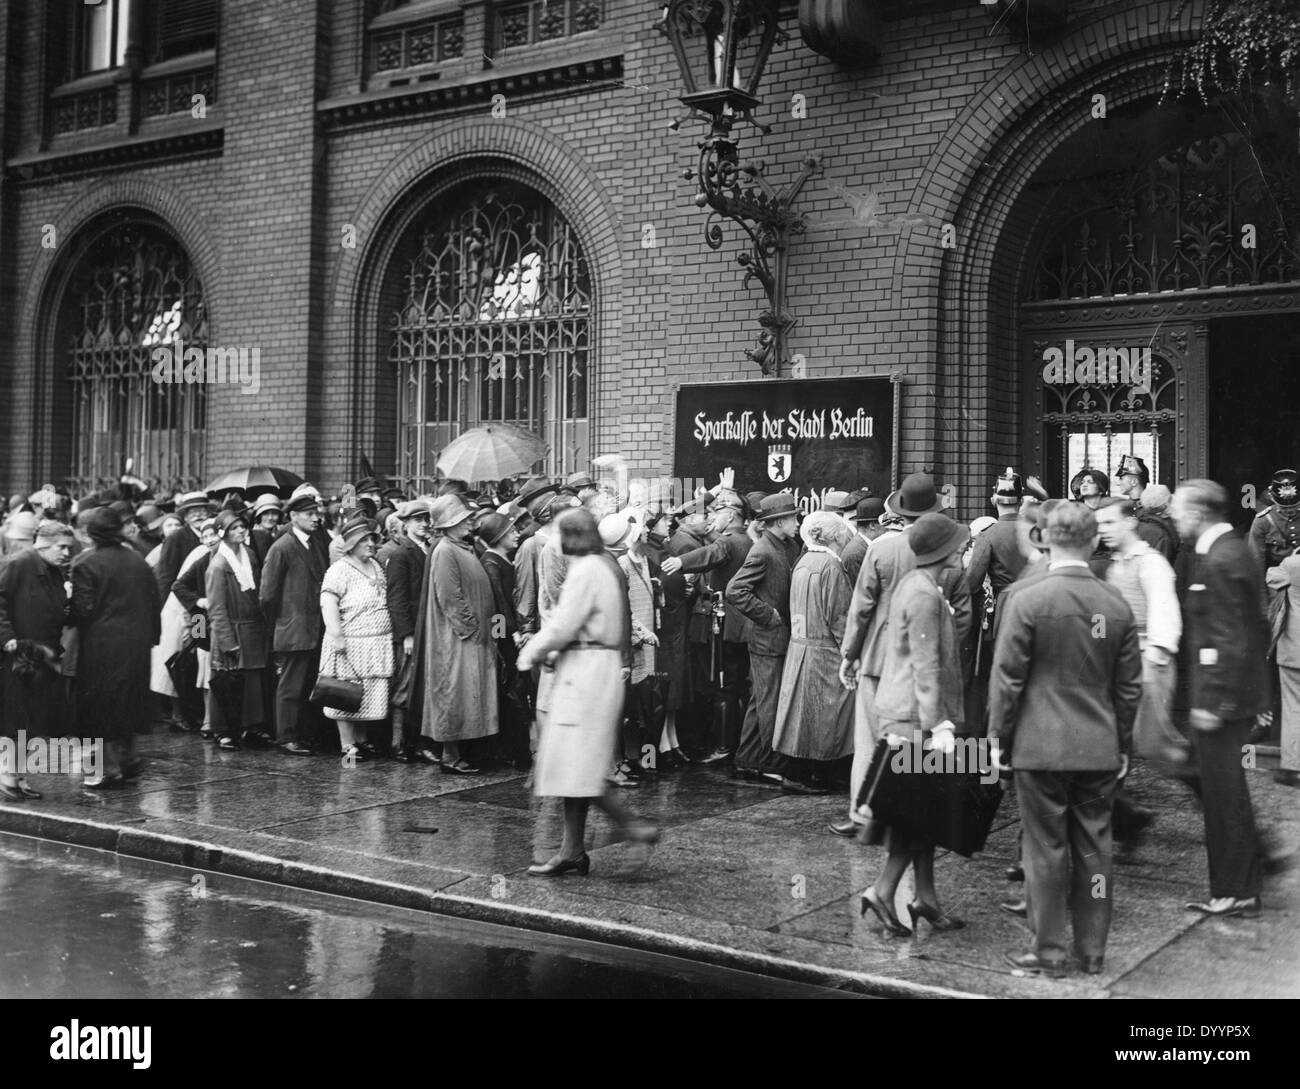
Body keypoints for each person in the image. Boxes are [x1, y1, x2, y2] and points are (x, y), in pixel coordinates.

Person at [989, 502, 1142, 978]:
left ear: (1045, 539)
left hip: (1039, 746)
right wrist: (1121, 746)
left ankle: (1049, 949)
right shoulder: (1114, 602)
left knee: (1045, 849)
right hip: (1097, 747)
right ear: (1094, 542)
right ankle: (1093, 951)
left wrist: (998, 739)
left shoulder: (1027, 599)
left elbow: (1007, 678)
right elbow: (1129, 687)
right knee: (1095, 849)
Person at [516, 508, 660, 877]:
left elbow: (564, 624)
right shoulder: (601, 564)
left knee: (575, 765)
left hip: (587, 674)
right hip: (590, 667)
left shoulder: (586, 570)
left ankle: (636, 829)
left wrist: (530, 652)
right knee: (572, 765)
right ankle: (573, 850)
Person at [836, 473, 971, 837]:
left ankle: (863, 812)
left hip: (879, 657)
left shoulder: (881, 548)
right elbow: (960, 612)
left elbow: (861, 607)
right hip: (925, 662)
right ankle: (913, 813)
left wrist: (849, 653)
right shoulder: (948, 550)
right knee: (918, 742)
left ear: (901, 511)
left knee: (869, 741)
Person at [857, 513, 971, 937]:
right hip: (914, 718)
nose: (963, 549)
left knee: (926, 813)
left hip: (910, 713)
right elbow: (925, 664)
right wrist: (938, 725)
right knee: (915, 813)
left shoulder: (918, 586)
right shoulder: (924, 593)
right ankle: (883, 891)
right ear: (943, 551)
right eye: (958, 544)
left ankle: (925, 898)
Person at [1170, 479, 1268, 918]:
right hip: (1227, 698)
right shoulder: (1224, 551)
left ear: (1197, 513)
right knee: (1226, 795)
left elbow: (1230, 641)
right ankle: (1240, 885)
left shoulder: (1222, 557)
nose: (1174, 517)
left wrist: (1215, 703)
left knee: (1224, 798)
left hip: (1221, 703)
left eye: (1177, 509)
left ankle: (1234, 890)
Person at [1096, 498, 1185, 792]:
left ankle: (1207, 787)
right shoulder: (1116, 565)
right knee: (1113, 739)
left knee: (1156, 745)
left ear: (1130, 522)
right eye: (1099, 524)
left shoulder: (1151, 563)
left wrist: (1153, 665)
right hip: (1124, 663)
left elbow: (1165, 615)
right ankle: (1121, 817)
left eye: (1109, 522)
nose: (1103, 530)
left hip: (1148, 664)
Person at [69, 508, 162, 789]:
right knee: (129, 700)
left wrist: (65, 604)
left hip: (102, 644)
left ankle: (108, 769)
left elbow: (81, 611)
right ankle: (128, 758)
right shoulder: (137, 560)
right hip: (137, 643)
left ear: (92, 533)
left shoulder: (86, 563)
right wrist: (152, 637)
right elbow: (152, 601)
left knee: (100, 704)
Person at [663, 493, 753, 764]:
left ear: (731, 515)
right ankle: (733, 743)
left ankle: (724, 747)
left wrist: (680, 562)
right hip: (741, 624)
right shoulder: (745, 539)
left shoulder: (729, 541)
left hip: (724, 624)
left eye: (718, 512)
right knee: (735, 685)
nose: (713, 517)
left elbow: (712, 553)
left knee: (723, 685)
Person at [772, 512, 855, 794]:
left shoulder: (803, 562)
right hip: (824, 651)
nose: (846, 535)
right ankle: (813, 772)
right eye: (842, 532)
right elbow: (840, 615)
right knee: (825, 716)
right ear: (832, 536)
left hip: (801, 646)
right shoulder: (831, 566)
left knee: (799, 714)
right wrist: (851, 652)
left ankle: (800, 772)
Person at [726, 493, 803, 784]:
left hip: (777, 639)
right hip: (767, 640)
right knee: (770, 702)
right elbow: (735, 591)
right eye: (793, 517)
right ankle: (772, 763)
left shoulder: (787, 545)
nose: (797, 522)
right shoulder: (763, 550)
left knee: (761, 699)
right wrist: (767, 614)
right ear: (779, 522)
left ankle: (747, 759)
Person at [422, 494, 498, 773]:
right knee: (453, 692)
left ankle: (464, 751)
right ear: (449, 524)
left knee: (468, 693)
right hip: (457, 638)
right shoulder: (445, 551)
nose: (470, 522)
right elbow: (450, 597)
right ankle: (450, 756)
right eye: (464, 519)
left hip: (472, 637)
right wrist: (471, 629)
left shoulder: (463, 547)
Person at [0, 521, 74, 800]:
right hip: (18, 654)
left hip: (41, 656)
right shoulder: (18, 564)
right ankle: (7, 777)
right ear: (42, 543)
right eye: (61, 547)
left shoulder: (54, 570)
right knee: (16, 718)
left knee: (32, 720)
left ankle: (16, 778)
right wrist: (6, 635)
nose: (67, 552)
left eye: (70, 547)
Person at [260, 492, 331, 756]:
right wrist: (281, 622)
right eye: (309, 514)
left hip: (313, 628)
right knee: (290, 685)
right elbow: (267, 595)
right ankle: (286, 736)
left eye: (317, 513)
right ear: (292, 517)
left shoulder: (314, 543)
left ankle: (302, 733)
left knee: (306, 684)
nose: (316, 518)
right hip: (294, 628)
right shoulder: (283, 546)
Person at [319, 516, 393, 763]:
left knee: (367, 692)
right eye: (364, 539)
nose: (371, 543)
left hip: (376, 643)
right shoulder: (339, 570)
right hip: (350, 641)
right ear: (351, 543)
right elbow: (328, 602)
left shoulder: (375, 565)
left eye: (372, 538)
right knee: (346, 692)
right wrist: (336, 635)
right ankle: (347, 744)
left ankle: (361, 741)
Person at [600, 512, 659, 786]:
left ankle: (615, 763)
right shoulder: (612, 568)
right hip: (612, 652)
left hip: (612, 649)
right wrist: (625, 657)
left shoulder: (607, 564)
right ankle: (610, 767)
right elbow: (619, 614)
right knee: (612, 713)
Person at [206, 509, 272, 752]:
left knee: (253, 679)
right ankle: (221, 729)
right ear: (222, 532)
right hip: (231, 628)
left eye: (242, 527)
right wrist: (226, 641)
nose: (241, 531)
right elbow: (216, 607)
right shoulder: (218, 565)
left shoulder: (251, 555)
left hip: (252, 626)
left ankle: (251, 725)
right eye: (234, 528)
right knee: (225, 679)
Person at [477, 511, 531, 768]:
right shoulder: (491, 563)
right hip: (507, 639)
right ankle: (514, 750)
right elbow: (497, 603)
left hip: (510, 636)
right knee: (511, 691)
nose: (517, 534)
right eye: (511, 532)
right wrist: (509, 636)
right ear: (498, 537)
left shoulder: (501, 559)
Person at [384, 498, 434, 763]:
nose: (424, 524)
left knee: (421, 686)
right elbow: (397, 599)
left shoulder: (428, 548)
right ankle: (398, 743)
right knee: (404, 686)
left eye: (427, 519)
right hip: (411, 632)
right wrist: (406, 634)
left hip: (426, 629)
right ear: (405, 524)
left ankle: (416, 742)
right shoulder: (401, 552)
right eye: (418, 520)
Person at [1266, 551, 1300, 787]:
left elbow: (1270, 577)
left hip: (1293, 649)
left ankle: (1293, 767)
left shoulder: (1292, 563)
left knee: (1293, 706)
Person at [155, 491, 212, 602]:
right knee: (198, 620)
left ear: (209, 514)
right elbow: (165, 577)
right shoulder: (175, 539)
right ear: (185, 517)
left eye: (202, 511)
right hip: (187, 601)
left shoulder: (216, 535)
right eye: (192, 512)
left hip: (212, 598)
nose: (198, 515)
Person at [839, 497, 886, 585]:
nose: (887, 528)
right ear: (872, 525)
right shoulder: (855, 555)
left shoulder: (861, 548)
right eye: (885, 523)